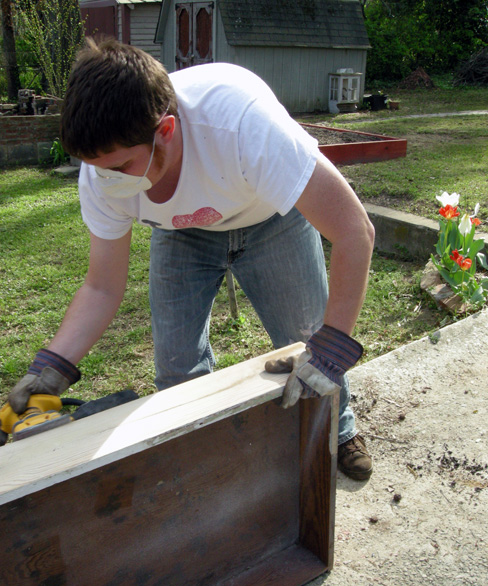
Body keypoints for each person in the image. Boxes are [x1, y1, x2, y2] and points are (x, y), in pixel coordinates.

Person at [7, 39, 375, 480]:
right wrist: (53, 366)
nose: (106, 181)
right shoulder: (102, 170)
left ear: (165, 131)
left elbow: (355, 231)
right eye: (97, 168)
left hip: (271, 220)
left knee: (308, 335)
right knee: (177, 367)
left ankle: (340, 430)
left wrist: (333, 348)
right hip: (182, 234)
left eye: (121, 168)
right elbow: (102, 286)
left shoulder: (241, 122)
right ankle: (203, 451)